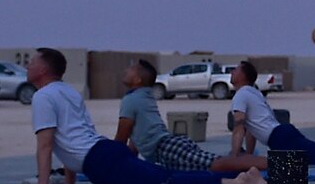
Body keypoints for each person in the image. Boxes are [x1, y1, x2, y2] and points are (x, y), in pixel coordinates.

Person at [11, 49, 264, 184]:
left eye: (32, 62)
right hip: (107, 151)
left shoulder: (43, 97)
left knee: (166, 182)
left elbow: (46, 145)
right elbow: (72, 137)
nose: (27, 65)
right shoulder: (68, 91)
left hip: (101, 163)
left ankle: (238, 183)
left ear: (43, 70)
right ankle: (242, 176)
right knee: (169, 175)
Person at [114, 61, 267, 174]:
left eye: (130, 70)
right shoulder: (143, 97)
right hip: (171, 145)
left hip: (168, 149)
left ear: (137, 80)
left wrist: (111, 162)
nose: (125, 70)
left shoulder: (131, 100)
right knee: (220, 163)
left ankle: (279, 164)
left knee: (223, 164)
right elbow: (135, 139)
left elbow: (121, 139)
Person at [228, 58, 315, 167]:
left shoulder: (241, 95)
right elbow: (250, 131)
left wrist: (234, 158)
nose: (232, 72)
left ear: (243, 76)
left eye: (236, 70)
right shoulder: (253, 93)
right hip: (282, 134)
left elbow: (239, 127)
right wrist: (248, 154)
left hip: (280, 139)